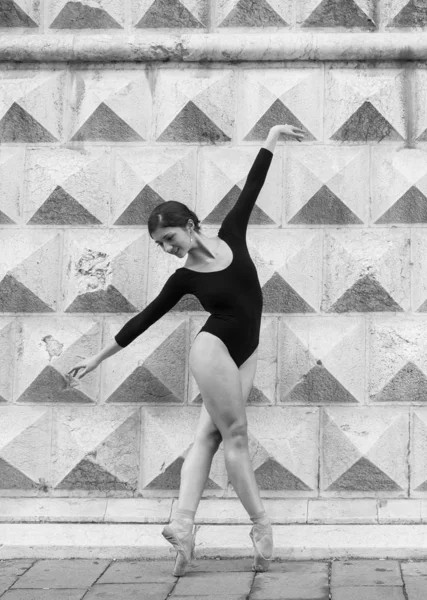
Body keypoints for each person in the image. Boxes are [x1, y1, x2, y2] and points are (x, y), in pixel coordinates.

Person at [67, 124, 306, 576]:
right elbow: (144, 320)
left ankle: (183, 526)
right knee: (235, 434)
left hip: (246, 349)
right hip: (213, 350)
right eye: (161, 246)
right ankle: (261, 525)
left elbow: (252, 184)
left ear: (191, 226)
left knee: (209, 436)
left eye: (170, 240)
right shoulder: (184, 279)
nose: (168, 250)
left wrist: (272, 136)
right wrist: (97, 358)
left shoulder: (233, 234)